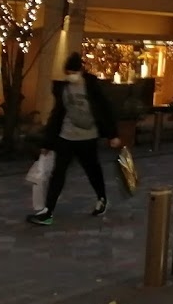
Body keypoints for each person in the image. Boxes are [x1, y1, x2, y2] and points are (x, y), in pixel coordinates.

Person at [28, 52, 120, 226]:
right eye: (68, 73)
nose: (71, 76)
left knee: (93, 170)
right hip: (66, 136)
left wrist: (112, 134)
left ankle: (102, 198)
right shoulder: (63, 89)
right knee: (58, 173)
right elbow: (57, 115)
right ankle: (48, 211)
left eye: (73, 72)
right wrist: (48, 142)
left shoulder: (91, 86)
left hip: (88, 136)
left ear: (80, 70)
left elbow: (105, 109)